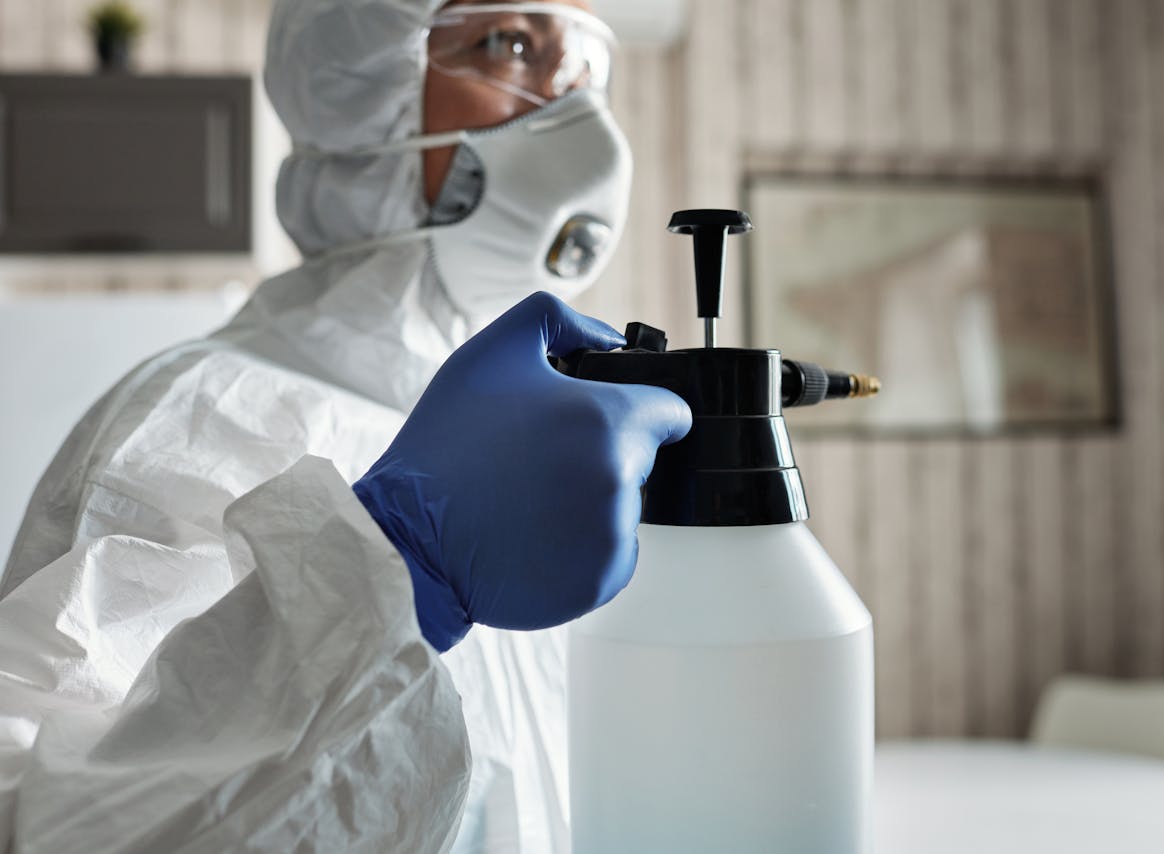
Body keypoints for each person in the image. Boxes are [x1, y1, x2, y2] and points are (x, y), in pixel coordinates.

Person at [0, 1, 689, 851]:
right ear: (365, 87)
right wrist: (399, 577)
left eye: (584, 67)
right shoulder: (194, 419)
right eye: (509, 44)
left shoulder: (557, 434)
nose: (573, 109)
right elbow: (49, 823)